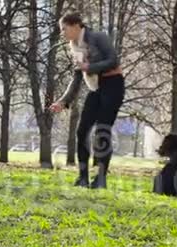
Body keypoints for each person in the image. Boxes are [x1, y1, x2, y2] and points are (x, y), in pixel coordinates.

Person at [49, 12, 125, 189]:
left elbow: (113, 61)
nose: (62, 33)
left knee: (102, 132)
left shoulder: (98, 37)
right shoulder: (74, 46)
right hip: (96, 88)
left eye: (64, 29)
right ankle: (82, 178)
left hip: (113, 85)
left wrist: (90, 67)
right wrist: (63, 101)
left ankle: (101, 179)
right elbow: (77, 77)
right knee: (82, 131)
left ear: (76, 26)